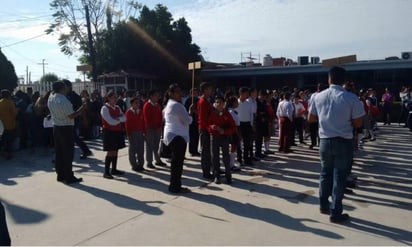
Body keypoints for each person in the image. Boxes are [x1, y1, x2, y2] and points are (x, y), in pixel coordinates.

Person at [308, 66, 364, 223]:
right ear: (344, 80)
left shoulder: (318, 97)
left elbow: (311, 118)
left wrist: (326, 119)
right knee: (340, 176)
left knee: (325, 173)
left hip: (325, 140)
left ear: (329, 78)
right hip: (343, 141)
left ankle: (323, 205)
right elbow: (358, 122)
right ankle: (336, 212)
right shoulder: (351, 98)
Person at [47, 81, 85, 184]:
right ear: (62, 89)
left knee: (59, 152)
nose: (67, 89)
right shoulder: (63, 100)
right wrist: (81, 109)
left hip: (56, 127)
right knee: (68, 153)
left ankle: (60, 175)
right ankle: (69, 176)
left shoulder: (51, 97)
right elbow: (71, 115)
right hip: (66, 127)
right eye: (65, 87)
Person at [163, 84, 194, 193]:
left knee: (176, 163)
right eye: (177, 92)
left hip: (172, 135)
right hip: (178, 136)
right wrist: (190, 113)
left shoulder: (169, 104)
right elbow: (188, 120)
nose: (180, 94)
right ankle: (175, 186)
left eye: (180, 91)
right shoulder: (177, 105)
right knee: (177, 164)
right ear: (171, 94)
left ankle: (175, 185)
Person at [208, 96, 236, 184]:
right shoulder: (212, 114)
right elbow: (208, 125)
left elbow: (233, 127)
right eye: (217, 102)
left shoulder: (227, 114)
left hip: (224, 137)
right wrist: (213, 127)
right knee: (215, 157)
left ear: (224, 104)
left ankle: (228, 175)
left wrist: (224, 131)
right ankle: (216, 175)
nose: (219, 104)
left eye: (220, 102)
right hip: (215, 137)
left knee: (226, 157)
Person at [63, 80, 93, 159]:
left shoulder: (75, 96)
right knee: (71, 137)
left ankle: (85, 151)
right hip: (66, 119)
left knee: (73, 137)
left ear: (68, 87)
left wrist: (84, 119)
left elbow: (82, 109)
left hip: (74, 119)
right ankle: (86, 151)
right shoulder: (63, 96)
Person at [101, 91, 127, 179]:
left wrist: (117, 118)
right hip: (109, 132)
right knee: (110, 151)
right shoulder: (105, 108)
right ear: (108, 98)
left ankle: (114, 169)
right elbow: (110, 121)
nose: (115, 99)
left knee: (116, 150)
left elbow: (124, 118)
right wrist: (119, 119)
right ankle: (106, 172)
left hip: (117, 131)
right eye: (113, 98)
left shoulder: (117, 107)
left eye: (116, 98)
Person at [143, 89, 166, 169]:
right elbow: (147, 118)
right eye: (156, 95)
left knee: (156, 145)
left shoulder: (157, 105)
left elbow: (160, 116)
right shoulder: (147, 105)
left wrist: (160, 124)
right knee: (150, 145)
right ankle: (149, 162)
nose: (158, 97)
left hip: (158, 128)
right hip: (150, 128)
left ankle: (157, 159)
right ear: (151, 96)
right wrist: (153, 126)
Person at [197, 82, 214, 179]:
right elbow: (204, 118)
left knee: (208, 150)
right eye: (209, 89)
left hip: (207, 127)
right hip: (205, 128)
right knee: (206, 151)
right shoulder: (203, 101)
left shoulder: (207, 100)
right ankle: (206, 171)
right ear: (204, 90)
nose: (210, 91)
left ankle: (209, 169)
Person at [125, 97, 145, 172]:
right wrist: (129, 134)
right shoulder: (129, 112)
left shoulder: (140, 111)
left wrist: (144, 132)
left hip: (140, 132)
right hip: (132, 133)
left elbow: (143, 122)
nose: (137, 104)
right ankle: (134, 165)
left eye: (138, 103)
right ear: (132, 104)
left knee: (141, 149)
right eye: (135, 103)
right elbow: (127, 124)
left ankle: (141, 164)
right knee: (132, 150)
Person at [236, 87, 254, 166]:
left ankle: (246, 158)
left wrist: (252, 124)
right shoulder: (236, 102)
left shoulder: (248, 103)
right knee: (238, 143)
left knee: (247, 143)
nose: (247, 95)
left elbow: (251, 115)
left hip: (247, 124)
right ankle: (239, 159)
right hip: (239, 125)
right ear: (241, 94)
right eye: (246, 93)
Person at [0, 89, 17, 160]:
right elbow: (14, 113)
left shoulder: (0, 102)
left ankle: (3, 152)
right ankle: (9, 154)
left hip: (1, 125)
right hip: (10, 124)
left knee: (2, 140)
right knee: (9, 140)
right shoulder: (10, 103)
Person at [185, 88, 200, 156]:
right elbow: (185, 110)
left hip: (197, 120)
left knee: (196, 136)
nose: (195, 94)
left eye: (196, 93)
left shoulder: (198, 100)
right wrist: (190, 110)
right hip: (191, 121)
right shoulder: (188, 101)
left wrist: (196, 111)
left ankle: (195, 150)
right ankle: (191, 150)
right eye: (193, 93)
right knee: (191, 136)